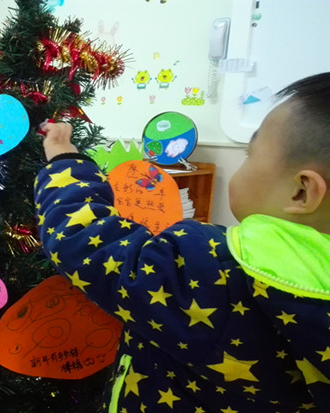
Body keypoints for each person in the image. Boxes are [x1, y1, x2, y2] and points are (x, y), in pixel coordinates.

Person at [34, 72, 330, 412]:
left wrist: (65, 160)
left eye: (250, 153)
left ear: (301, 191)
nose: (246, 161)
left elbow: (86, 241)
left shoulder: (213, 265)